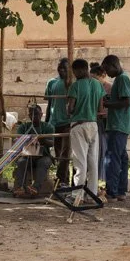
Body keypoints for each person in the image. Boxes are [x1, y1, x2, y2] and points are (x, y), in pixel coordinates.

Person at [66, 58, 105, 198]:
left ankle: (77, 195)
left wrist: (70, 109)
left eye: (74, 71)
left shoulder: (75, 86)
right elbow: (100, 108)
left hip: (78, 125)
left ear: (80, 70)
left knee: (80, 162)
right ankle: (92, 194)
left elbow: (70, 109)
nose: (74, 74)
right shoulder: (98, 85)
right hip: (93, 124)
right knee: (93, 161)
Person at [102, 55, 130, 202]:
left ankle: (112, 192)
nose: (107, 74)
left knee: (112, 158)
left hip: (118, 124)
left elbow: (126, 102)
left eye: (107, 69)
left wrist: (107, 105)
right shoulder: (121, 79)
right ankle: (121, 191)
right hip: (121, 124)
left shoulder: (122, 78)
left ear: (113, 65)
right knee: (122, 158)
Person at [13, 104, 55, 197]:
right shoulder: (23, 127)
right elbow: (16, 141)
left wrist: (40, 139)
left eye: (36, 114)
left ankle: (35, 188)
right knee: (21, 162)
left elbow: (51, 143)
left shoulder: (48, 127)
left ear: (41, 114)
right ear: (28, 116)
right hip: (27, 156)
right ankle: (19, 188)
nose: (34, 116)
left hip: (44, 156)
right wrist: (24, 140)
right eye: (31, 114)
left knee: (43, 163)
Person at [45, 58, 71, 186]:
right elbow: (50, 103)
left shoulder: (72, 83)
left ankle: (63, 179)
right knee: (58, 152)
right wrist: (46, 122)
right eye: (60, 68)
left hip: (68, 122)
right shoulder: (52, 83)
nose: (62, 70)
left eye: (64, 68)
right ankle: (63, 179)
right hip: (54, 122)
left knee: (65, 153)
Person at [90, 63, 112, 180]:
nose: (93, 80)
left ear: (103, 75)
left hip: (105, 121)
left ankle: (104, 177)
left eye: (95, 78)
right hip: (95, 121)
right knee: (96, 150)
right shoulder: (93, 87)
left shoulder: (109, 88)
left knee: (104, 149)